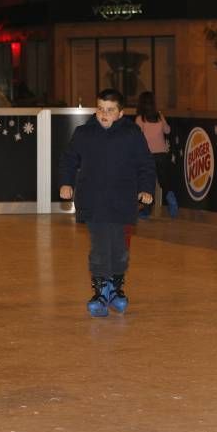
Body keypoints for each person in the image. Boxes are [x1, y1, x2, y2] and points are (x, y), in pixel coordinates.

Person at [58, 88, 156, 318]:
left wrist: (146, 189)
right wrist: (65, 182)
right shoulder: (84, 133)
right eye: (100, 109)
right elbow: (69, 159)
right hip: (94, 201)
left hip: (122, 201)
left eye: (110, 110)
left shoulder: (132, 134)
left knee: (119, 248)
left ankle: (116, 288)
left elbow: (146, 163)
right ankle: (101, 291)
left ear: (120, 113)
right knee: (101, 247)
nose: (104, 114)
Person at [135, 91, 177, 219]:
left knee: (148, 183)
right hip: (162, 155)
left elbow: (137, 138)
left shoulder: (140, 119)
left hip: (147, 156)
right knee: (165, 181)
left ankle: (146, 211)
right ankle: (171, 198)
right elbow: (167, 130)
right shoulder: (159, 116)